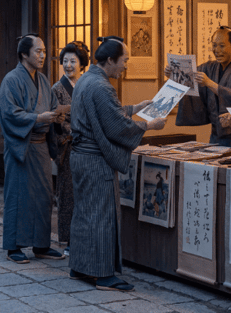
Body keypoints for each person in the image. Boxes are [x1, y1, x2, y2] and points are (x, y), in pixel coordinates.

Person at [69, 36, 165, 291]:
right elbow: (116, 126)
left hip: (81, 156)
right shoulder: (101, 87)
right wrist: (149, 124)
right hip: (94, 160)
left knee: (84, 213)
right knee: (102, 214)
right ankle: (102, 275)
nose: (126, 66)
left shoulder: (88, 80)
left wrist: (135, 108)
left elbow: (106, 113)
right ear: (110, 60)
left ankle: (80, 266)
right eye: (124, 61)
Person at [0, 34, 64, 264]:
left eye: (44, 51)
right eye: (38, 51)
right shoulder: (11, 80)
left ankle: (41, 245)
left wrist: (56, 116)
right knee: (18, 196)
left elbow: (53, 106)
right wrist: (37, 118)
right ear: (24, 54)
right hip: (21, 147)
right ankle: (13, 246)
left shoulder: (44, 81)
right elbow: (9, 113)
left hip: (41, 147)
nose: (43, 55)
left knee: (44, 197)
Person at [172, 26, 231, 146]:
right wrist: (173, 73)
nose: (217, 50)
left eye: (222, 45)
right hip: (216, 133)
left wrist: (209, 83)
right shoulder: (209, 67)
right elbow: (189, 76)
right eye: (214, 45)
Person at [51, 41, 90, 256]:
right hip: (68, 146)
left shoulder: (86, 84)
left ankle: (83, 237)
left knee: (84, 193)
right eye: (65, 61)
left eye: (73, 61)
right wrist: (72, 133)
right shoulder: (57, 89)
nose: (68, 65)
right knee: (67, 194)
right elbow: (57, 119)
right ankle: (67, 240)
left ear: (82, 64)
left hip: (86, 147)